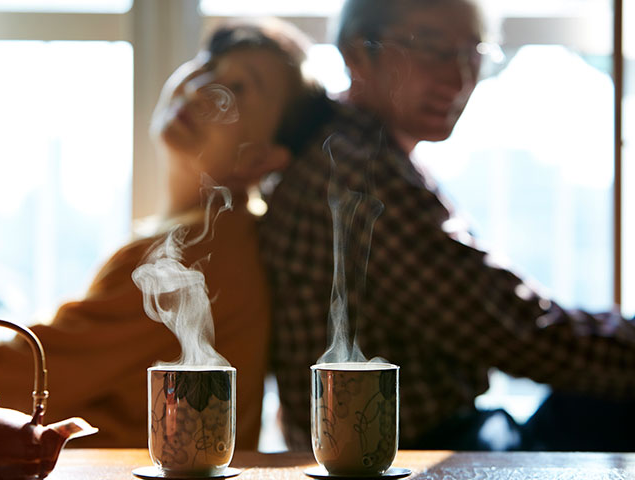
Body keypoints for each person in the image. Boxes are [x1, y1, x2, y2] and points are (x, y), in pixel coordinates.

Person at [0, 18, 325, 449]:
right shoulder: (210, 238)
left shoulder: (190, 259)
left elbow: (19, 376)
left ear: (263, 159)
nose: (201, 87)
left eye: (239, 88)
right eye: (207, 64)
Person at [259, 0, 635, 451]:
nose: (460, 79)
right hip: (406, 455)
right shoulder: (360, 176)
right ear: (359, 53)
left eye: (474, 53)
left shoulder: (356, 152)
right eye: (433, 49)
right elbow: (520, 334)